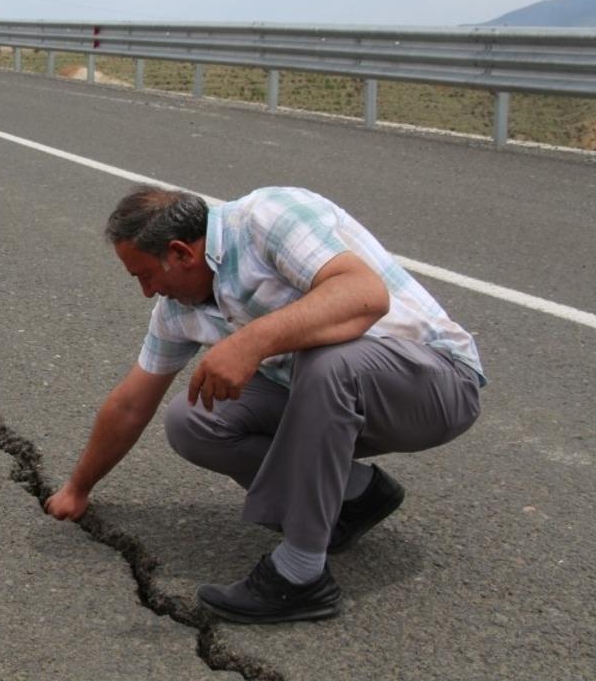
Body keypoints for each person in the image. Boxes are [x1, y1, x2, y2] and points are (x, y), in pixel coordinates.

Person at [44, 185, 484, 624]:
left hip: (434, 383)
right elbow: (130, 404)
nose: (147, 291)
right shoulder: (177, 311)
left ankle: (301, 576)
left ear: (180, 253)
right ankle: (358, 494)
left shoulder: (267, 218)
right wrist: (78, 488)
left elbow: (364, 294)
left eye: (145, 275)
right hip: (335, 400)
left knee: (327, 362)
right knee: (192, 420)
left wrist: (252, 341)